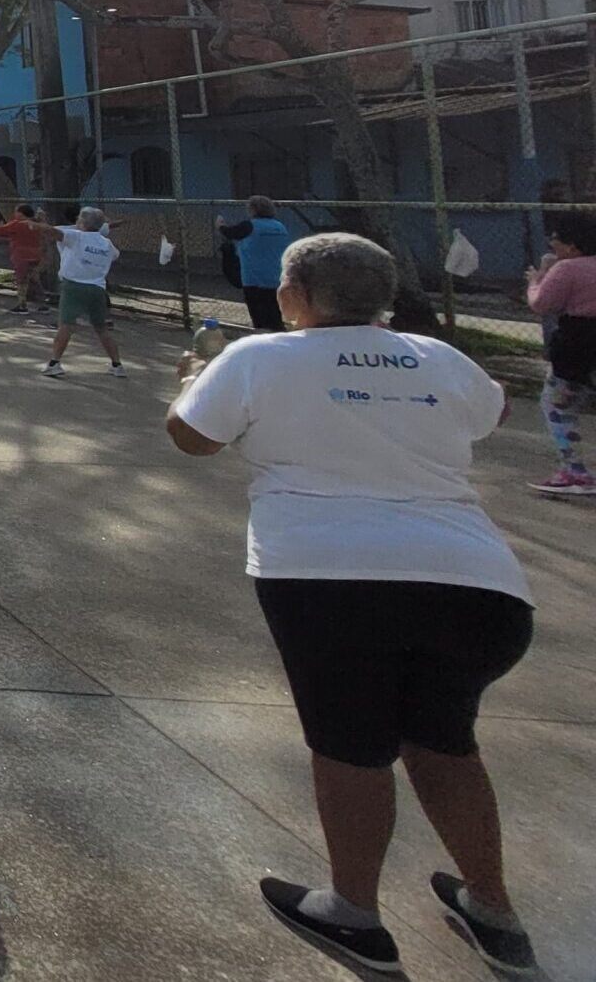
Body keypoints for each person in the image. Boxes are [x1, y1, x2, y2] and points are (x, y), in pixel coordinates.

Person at [166, 233, 540, 977]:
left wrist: (189, 380)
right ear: (385, 297)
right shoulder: (440, 358)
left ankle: (355, 910)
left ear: (292, 297)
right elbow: (488, 417)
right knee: (443, 739)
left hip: (328, 576)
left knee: (350, 742)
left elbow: (193, 438)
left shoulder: (258, 356)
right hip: (479, 584)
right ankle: (492, 907)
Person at [524, 211, 596, 498]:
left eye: (556, 239)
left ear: (574, 246)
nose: (552, 244)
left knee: (557, 407)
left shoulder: (568, 269)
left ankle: (576, 472)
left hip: (577, 346)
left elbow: (542, 304)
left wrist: (536, 279)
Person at [43, 207, 125, 379]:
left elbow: (52, 232)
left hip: (74, 286)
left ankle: (54, 363)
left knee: (66, 325)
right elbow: (115, 255)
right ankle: (117, 365)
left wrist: (36, 224)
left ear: (82, 222)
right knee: (101, 328)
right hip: (97, 289)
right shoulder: (105, 243)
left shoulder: (76, 236)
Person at [221, 197, 292, 333]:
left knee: (259, 317)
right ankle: (277, 335)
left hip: (254, 279)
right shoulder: (279, 226)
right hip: (276, 277)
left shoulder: (250, 225)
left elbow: (229, 233)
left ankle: (264, 342)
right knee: (274, 314)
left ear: (253, 210)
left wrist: (220, 225)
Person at [0, 203, 51, 312]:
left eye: (16, 212)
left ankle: (22, 305)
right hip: (36, 255)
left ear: (21, 213)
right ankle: (43, 304)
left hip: (21, 256)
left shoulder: (17, 224)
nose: (15, 214)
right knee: (34, 279)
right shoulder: (37, 224)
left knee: (21, 281)